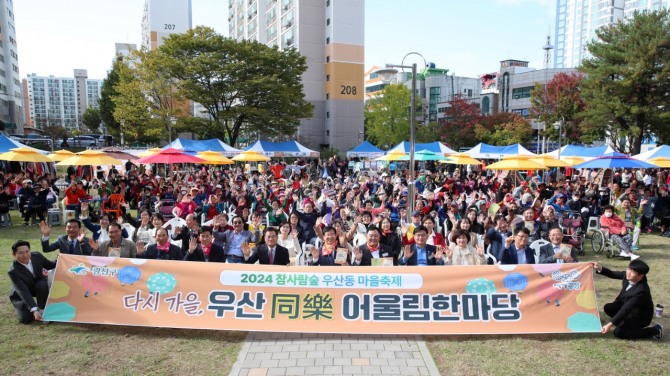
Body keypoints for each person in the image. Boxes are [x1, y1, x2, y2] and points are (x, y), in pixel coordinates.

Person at [593, 260, 663, 340]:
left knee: (619, 333)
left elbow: (626, 309)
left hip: (639, 317)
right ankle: (624, 323)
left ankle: (655, 330)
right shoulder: (628, 276)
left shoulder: (641, 290)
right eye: (628, 269)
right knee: (609, 307)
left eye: (632, 272)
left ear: (640, 276)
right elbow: (612, 274)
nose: (628, 273)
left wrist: (609, 324)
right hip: (629, 309)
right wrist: (600, 268)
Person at [8, 240, 57, 324]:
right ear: (14, 254)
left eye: (27, 251)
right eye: (21, 253)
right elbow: (23, 291)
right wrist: (34, 310)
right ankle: (33, 308)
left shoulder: (37, 256)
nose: (25, 255)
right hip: (21, 292)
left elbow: (51, 265)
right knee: (25, 319)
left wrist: (60, 258)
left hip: (38, 286)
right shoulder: (13, 271)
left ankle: (42, 309)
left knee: (42, 284)